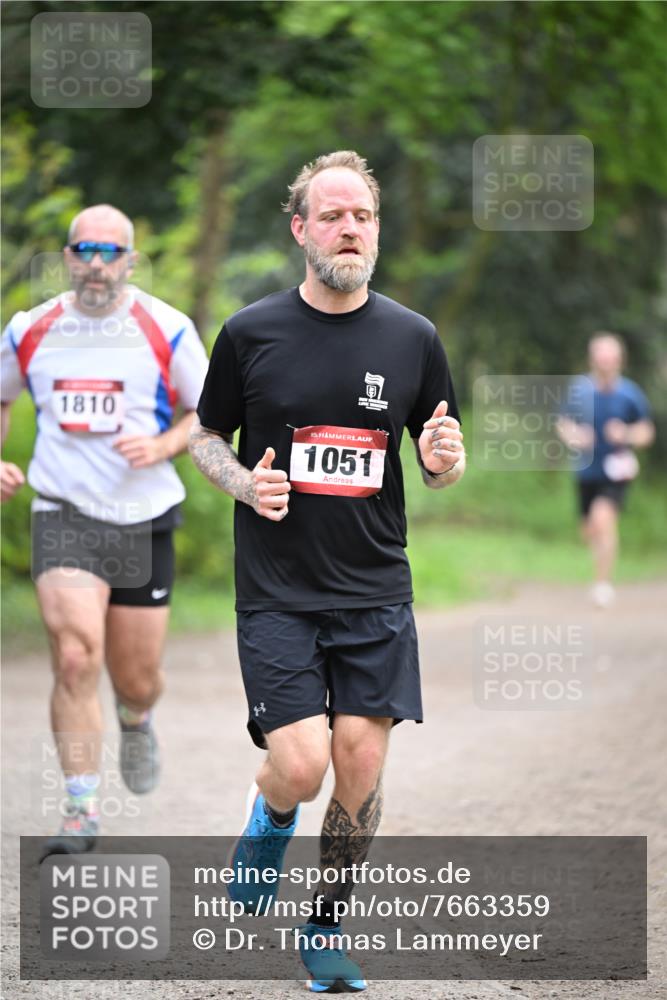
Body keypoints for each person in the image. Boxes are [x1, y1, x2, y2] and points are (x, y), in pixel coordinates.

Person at [189, 150, 465, 992]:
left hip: (375, 588)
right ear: (301, 228)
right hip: (277, 589)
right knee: (302, 764)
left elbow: (436, 451)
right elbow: (204, 437)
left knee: (361, 763)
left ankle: (326, 930)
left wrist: (444, 459)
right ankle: (270, 814)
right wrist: (243, 480)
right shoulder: (249, 333)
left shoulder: (412, 337)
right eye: (334, 215)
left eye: (364, 217)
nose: (351, 229)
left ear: (375, 230)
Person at [1, 204, 208, 858]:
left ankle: (136, 717)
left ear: (130, 261)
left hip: (143, 518)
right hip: (63, 509)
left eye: (109, 253)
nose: (96, 264)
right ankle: (81, 810)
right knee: (73, 654)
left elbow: (205, 416)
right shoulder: (29, 330)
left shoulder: (167, 329)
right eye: (83, 250)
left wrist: (163, 443)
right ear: (66, 257)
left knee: (136, 675)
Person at [557, 332, 654, 608]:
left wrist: (626, 433)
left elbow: (646, 432)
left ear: (619, 360)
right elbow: (562, 424)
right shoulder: (579, 390)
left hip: (616, 472)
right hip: (586, 472)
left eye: (610, 356)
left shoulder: (630, 393)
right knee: (589, 529)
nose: (606, 361)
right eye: (601, 356)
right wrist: (576, 435)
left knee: (604, 519)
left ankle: (602, 583)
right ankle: (600, 566)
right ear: (592, 358)